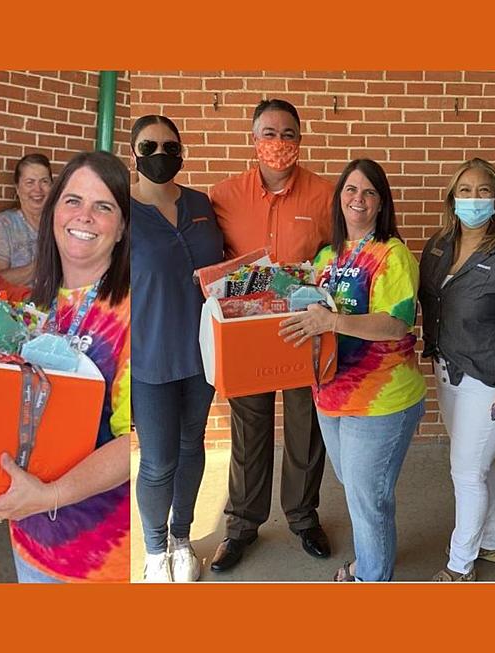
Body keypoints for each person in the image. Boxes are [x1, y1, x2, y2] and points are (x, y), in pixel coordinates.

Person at [0, 150, 129, 583]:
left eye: (103, 206)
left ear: (123, 225)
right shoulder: (34, 308)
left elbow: (142, 441)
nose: (84, 216)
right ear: (54, 211)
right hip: (29, 536)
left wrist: (51, 494)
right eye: (73, 201)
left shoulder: (132, 312)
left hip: (102, 557)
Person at [280, 159, 426, 582]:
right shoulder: (327, 255)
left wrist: (333, 322)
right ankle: (374, 559)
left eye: (368, 192)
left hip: (382, 399)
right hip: (330, 394)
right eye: (350, 191)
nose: (357, 199)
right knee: (358, 486)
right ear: (339, 198)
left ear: (381, 203)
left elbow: (396, 322)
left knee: (368, 497)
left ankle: (370, 577)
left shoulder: (392, 255)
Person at [208, 98, 334, 572]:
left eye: (287, 134)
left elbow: (335, 257)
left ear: (299, 140)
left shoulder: (325, 194)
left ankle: (303, 517)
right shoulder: (223, 195)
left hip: (304, 328)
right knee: (249, 428)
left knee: (307, 427)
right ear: (252, 138)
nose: (277, 144)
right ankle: (241, 524)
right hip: (247, 333)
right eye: (268, 133)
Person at [419, 158, 495, 582]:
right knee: (478, 463)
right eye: (465, 190)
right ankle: (492, 539)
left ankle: (460, 565)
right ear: (452, 198)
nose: (473, 199)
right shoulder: (438, 246)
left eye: (483, 191)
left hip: (490, 380)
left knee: (467, 471)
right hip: (447, 370)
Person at [130, 115, 223, 582]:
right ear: (134, 154)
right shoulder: (122, 214)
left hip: (202, 353)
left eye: (170, 145)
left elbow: (223, 269)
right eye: (149, 147)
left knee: (192, 447)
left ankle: (182, 539)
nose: (160, 154)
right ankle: (153, 549)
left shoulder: (202, 205)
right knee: (157, 459)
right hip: (149, 357)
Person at [0, 153, 53, 288]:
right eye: (30, 182)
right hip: (18, 306)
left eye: (44, 181)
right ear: (17, 188)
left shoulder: (61, 224)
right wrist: (40, 266)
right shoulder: (4, 223)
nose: (38, 189)